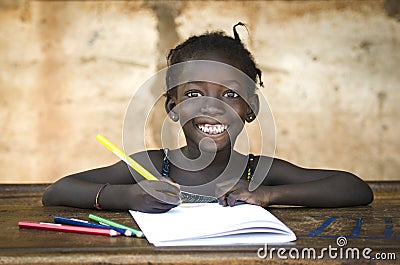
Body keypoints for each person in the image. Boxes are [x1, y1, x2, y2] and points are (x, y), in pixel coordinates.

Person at [42, 23, 373, 213]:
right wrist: (126, 196)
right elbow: (58, 190)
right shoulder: (154, 165)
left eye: (230, 94)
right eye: (193, 94)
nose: (213, 108)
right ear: (172, 107)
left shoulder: (258, 172)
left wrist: (269, 195)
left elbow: (355, 188)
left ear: (250, 108)